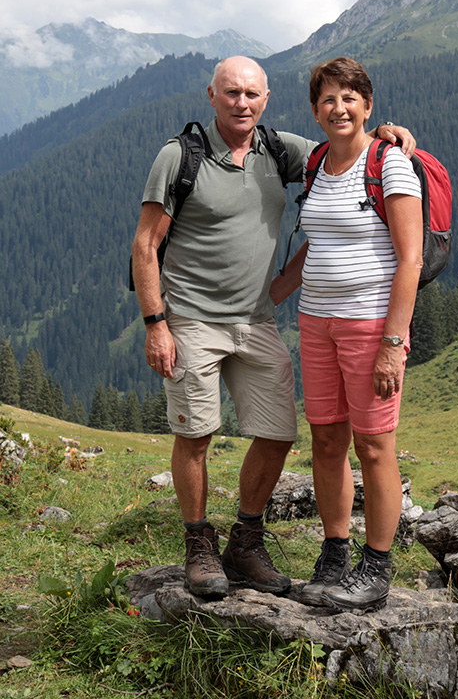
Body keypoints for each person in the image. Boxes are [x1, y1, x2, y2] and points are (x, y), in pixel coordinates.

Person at [131, 55, 415, 600]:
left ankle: (245, 540)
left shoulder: (282, 150)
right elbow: (146, 244)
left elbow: (346, 145)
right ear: (211, 94)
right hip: (191, 318)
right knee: (196, 433)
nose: (242, 103)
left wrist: (385, 132)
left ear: (267, 100)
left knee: (281, 432)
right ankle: (198, 545)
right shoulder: (179, 157)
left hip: (259, 321)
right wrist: (156, 324)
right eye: (231, 92)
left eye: (252, 94)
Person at [270, 57, 423, 613]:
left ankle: (376, 567)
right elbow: (322, 243)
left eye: (350, 98)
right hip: (316, 322)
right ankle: (335, 553)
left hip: (369, 326)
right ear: (315, 110)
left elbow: (410, 260)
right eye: (328, 99)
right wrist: (270, 297)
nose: (339, 108)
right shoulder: (315, 164)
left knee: (375, 446)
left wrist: (392, 343)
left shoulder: (390, 164)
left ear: (368, 105)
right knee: (327, 442)